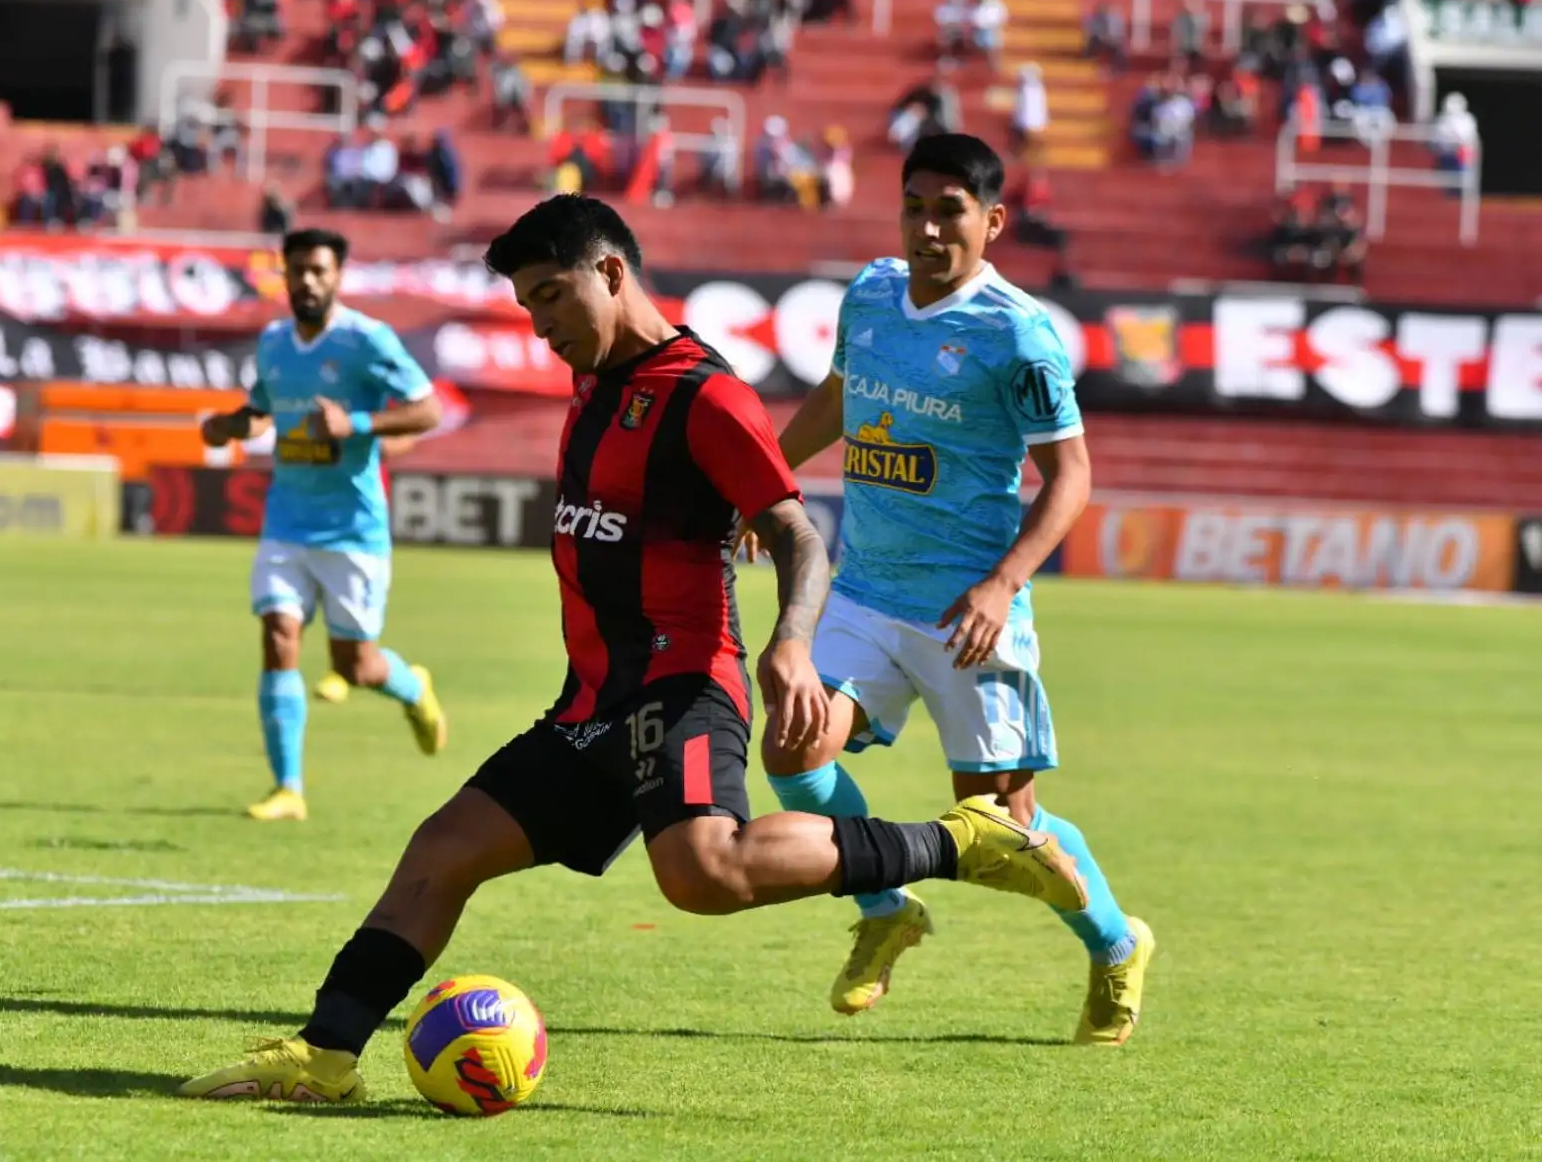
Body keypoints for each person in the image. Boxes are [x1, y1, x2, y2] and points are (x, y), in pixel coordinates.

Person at [178, 194, 1091, 1104]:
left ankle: (961, 842)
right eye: (528, 307)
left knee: (703, 872)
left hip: (682, 684)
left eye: (551, 297)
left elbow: (798, 534)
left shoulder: (707, 396)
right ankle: (326, 1054)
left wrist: (791, 642)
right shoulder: (596, 378)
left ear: (611, 273)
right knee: (442, 848)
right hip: (592, 700)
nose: (541, 326)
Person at [744, 134, 1154, 1045]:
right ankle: (886, 908)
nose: (928, 229)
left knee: (1001, 825)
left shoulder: (1018, 334)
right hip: (865, 592)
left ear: (993, 221)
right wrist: (761, 482)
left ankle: (1117, 945)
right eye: (914, 208)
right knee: (793, 752)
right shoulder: (870, 294)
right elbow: (839, 397)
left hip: (968, 609)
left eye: (950, 212)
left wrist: (1003, 585)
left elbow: (1073, 476)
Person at [198, 227, 449, 823]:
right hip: (287, 520)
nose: (308, 281)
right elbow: (261, 412)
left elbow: (428, 409)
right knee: (278, 636)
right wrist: (230, 427)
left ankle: (413, 686)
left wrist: (355, 423)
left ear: (338, 276)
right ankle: (288, 788)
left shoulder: (367, 340)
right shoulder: (273, 342)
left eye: (319, 271)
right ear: (283, 275)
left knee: (355, 666)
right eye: (298, 271)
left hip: (352, 529)